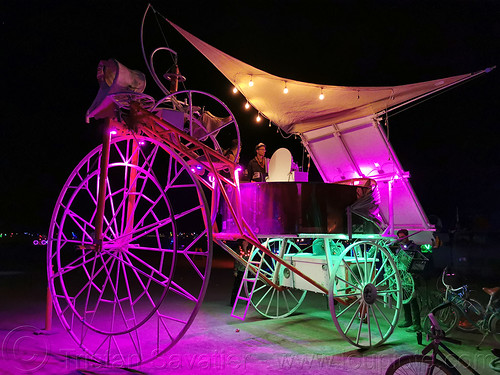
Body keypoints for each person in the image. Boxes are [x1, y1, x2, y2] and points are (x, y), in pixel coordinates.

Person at [396, 229, 422, 332]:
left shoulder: (414, 247)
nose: (401, 239)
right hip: (403, 277)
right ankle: (408, 320)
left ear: (407, 236)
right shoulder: (400, 249)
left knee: (413, 300)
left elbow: (418, 261)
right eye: (399, 237)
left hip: (412, 277)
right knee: (405, 299)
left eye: (403, 237)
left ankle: (417, 324)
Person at [230, 239, 252, 306]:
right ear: (242, 242)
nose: (247, 243)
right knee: (237, 286)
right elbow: (236, 261)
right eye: (245, 241)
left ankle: (249, 301)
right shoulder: (239, 250)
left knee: (249, 287)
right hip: (240, 270)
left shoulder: (249, 250)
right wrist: (235, 270)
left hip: (247, 271)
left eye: (247, 241)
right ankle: (233, 302)